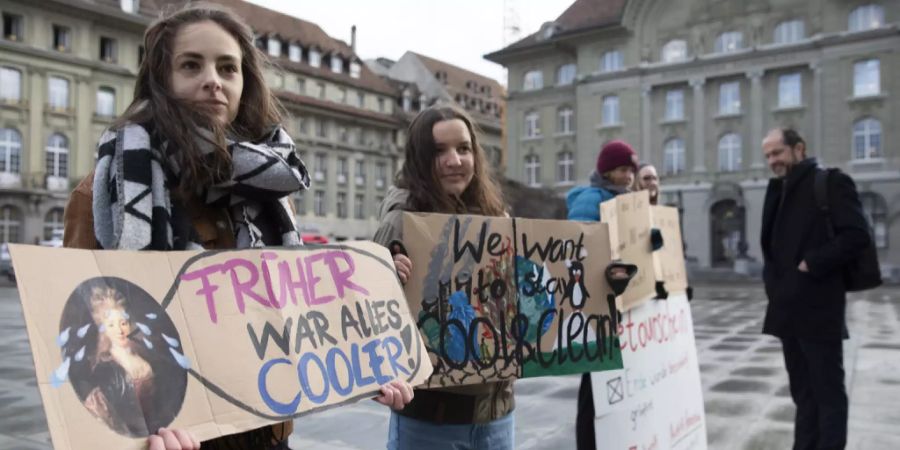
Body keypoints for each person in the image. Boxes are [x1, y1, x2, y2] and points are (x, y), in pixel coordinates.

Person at [63, 5, 412, 449]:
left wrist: (369, 367)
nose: (213, 79)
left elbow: (301, 313)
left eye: (228, 67)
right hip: (174, 437)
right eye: (191, 65)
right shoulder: (107, 191)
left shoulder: (267, 194)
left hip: (267, 432)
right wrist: (128, 429)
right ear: (161, 79)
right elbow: (83, 342)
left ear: (244, 82)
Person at [373, 106, 511, 450]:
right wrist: (387, 280)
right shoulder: (401, 222)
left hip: (497, 413)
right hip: (432, 422)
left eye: (463, 148)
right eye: (439, 151)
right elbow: (366, 315)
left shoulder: (496, 217)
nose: (454, 160)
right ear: (420, 158)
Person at [760, 128, 870, 450]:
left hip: (819, 308)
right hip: (786, 309)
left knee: (828, 396)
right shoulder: (778, 190)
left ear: (798, 149)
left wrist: (812, 262)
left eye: (777, 153)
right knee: (803, 396)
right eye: (767, 155)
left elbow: (857, 235)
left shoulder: (831, 182)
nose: (772, 161)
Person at [566, 140, 638, 450]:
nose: (629, 176)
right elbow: (575, 246)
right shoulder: (591, 200)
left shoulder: (624, 200)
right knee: (594, 388)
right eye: (623, 170)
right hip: (599, 306)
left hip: (621, 303)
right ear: (608, 171)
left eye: (631, 170)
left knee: (611, 384)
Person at [82, 286, 181, 437]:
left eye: (123, 323)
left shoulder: (145, 355)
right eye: (111, 325)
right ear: (103, 330)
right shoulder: (105, 369)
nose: (120, 330)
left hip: (162, 429)